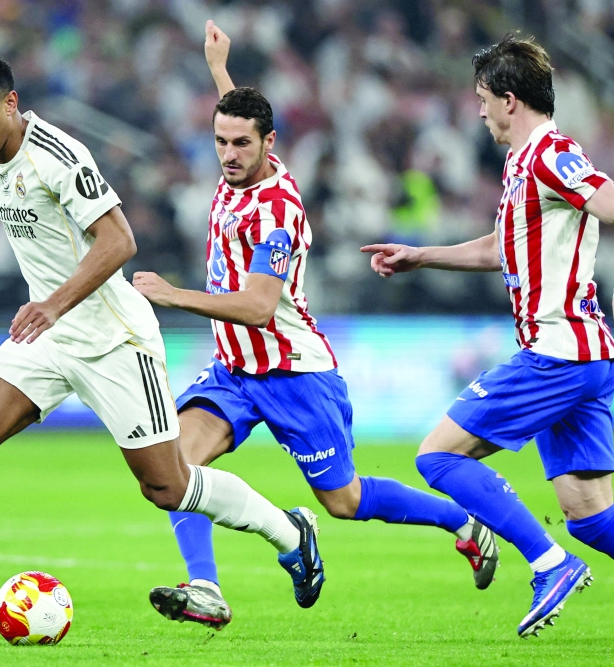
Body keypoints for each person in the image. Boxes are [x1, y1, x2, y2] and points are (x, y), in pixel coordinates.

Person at [0, 51, 324, 644]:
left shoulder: (61, 154)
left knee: (170, 486)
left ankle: (290, 533)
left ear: (9, 102)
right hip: (48, 336)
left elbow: (119, 240)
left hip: (114, 342)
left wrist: (53, 304)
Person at [362, 34, 614, 659]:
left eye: (483, 99)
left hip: (559, 352)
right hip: (583, 359)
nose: (480, 111)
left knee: (437, 457)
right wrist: (423, 256)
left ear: (510, 100)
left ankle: (549, 564)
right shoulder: (522, 164)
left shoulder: (551, 154)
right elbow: (500, 249)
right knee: (592, 515)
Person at [132, 21, 498, 631]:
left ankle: (463, 524)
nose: (227, 154)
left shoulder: (277, 211)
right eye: (220, 141)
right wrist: (219, 66)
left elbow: (255, 306)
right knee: (172, 472)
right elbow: (237, 110)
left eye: (241, 144)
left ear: (268, 143)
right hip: (233, 370)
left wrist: (174, 297)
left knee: (345, 501)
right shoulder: (238, 162)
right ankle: (206, 587)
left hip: (294, 372)